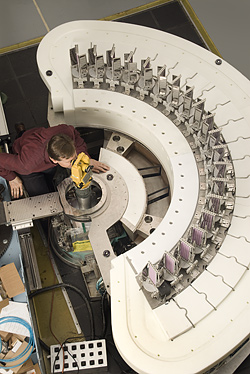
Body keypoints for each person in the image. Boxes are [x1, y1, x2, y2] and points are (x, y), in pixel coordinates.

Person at [0, 124, 109, 199]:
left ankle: (22, 130)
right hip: (27, 159)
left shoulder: (66, 133)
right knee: (41, 196)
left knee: (50, 178)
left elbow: (76, 136)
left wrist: (85, 158)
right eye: (70, 161)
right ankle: (20, 133)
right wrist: (12, 178)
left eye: (74, 156)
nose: (75, 162)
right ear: (53, 159)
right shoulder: (26, 165)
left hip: (34, 136)